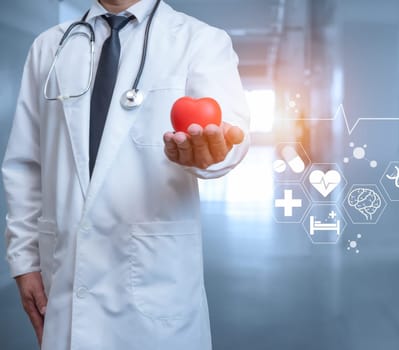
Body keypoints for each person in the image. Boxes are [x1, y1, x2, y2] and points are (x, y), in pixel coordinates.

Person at [1, 0, 250, 349]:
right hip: (65, 278)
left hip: (154, 288)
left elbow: (229, 135)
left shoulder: (200, 41)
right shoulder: (50, 46)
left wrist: (212, 154)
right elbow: (26, 164)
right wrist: (24, 262)